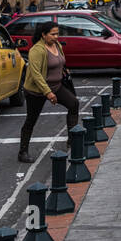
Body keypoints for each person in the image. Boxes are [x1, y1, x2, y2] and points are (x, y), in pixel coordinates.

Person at [18, 21, 80, 163]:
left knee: (74, 104)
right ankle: (23, 152)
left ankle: (72, 141)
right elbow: (36, 74)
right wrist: (48, 93)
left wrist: (64, 71)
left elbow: (61, 62)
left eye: (57, 33)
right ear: (43, 35)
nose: (56, 37)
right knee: (31, 120)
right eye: (52, 34)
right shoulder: (37, 50)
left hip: (56, 86)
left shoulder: (56, 45)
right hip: (37, 91)